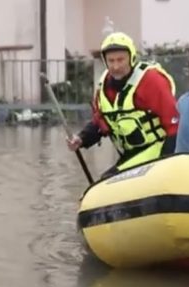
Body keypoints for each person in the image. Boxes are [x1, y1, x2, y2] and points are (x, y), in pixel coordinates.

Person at [66, 32, 179, 178]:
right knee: (105, 183)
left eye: (121, 60)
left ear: (131, 58)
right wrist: (81, 139)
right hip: (132, 155)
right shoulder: (103, 86)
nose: (116, 66)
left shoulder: (151, 80)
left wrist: (164, 166)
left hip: (157, 150)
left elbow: (175, 126)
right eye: (111, 61)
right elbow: (101, 123)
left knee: (107, 181)